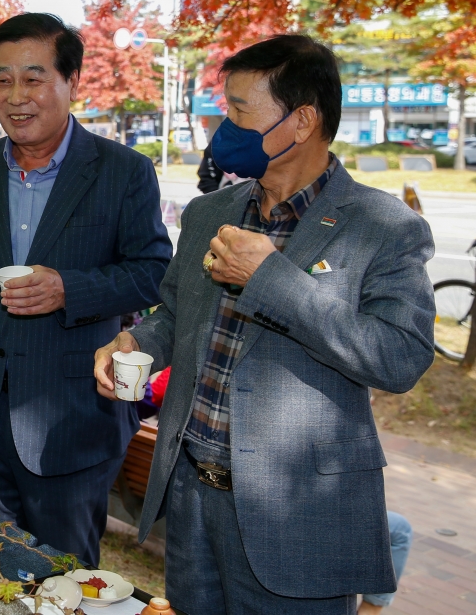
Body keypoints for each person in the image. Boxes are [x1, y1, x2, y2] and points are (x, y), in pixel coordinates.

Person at [94, 35, 435, 614]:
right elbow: (177, 311)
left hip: (298, 515)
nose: (221, 127)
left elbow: (400, 357)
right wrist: (135, 341)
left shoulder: (383, 226)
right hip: (191, 496)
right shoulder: (210, 213)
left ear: (301, 121)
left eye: (239, 110)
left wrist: (272, 277)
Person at [0, 13, 172, 564]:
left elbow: (153, 272)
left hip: (73, 420)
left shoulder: (122, 171)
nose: (16, 96)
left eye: (34, 78)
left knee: (65, 578)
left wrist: (70, 289)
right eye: (2, 80)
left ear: (72, 82)